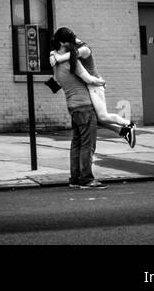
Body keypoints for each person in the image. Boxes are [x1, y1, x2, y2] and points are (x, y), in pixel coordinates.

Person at [50, 35, 136, 148]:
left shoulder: (85, 50)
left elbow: (62, 58)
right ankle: (122, 131)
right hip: (90, 86)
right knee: (95, 118)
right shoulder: (73, 46)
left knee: (103, 117)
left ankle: (128, 124)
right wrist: (53, 53)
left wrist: (53, 54)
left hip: (95, 85)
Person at [49, 25, 102, 189]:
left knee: (76, 143)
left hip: (72, 106)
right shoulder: (72, 62)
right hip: (84, 105)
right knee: (88, 144)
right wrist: (101, 82)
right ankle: (86, 179)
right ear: (65, 43)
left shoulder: (54, 63)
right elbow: (88, 79)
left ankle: (75, 178)